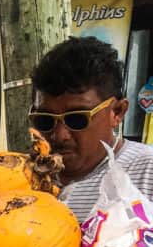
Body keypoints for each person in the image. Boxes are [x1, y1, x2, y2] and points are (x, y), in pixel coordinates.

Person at [30, 35, 153, 222]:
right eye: (45, 120)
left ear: (117, 112)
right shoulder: (21, 178)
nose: (60, 135)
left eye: (77, 119)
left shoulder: (146, 172)